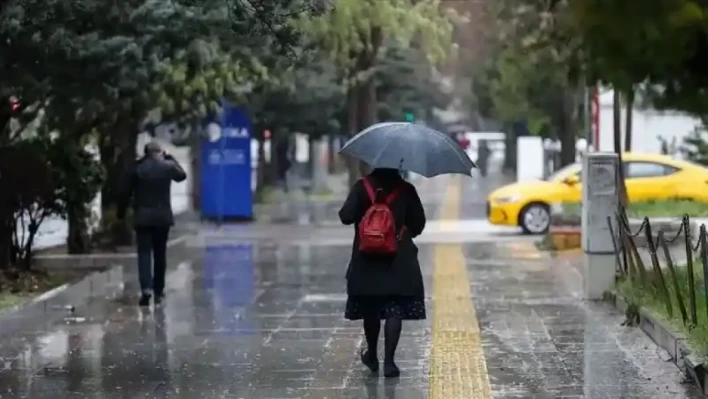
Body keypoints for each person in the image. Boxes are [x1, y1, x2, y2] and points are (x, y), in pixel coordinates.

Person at [338, 167, 426, 378]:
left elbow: (346, 216)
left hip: (366, 260)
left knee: (371, 309)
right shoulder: (406, 189)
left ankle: (372, 357)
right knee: (394, 310)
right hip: (398, 259)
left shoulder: (362, 187)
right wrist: (403, 228)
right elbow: (419, 223)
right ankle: (390, 363)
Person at [118, 142, 187, 306]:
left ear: (146, 153)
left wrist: (121, 214)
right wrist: (170, 157)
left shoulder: (137, 168)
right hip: (162, 218)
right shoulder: (168, 166)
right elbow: (182, 175)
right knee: (160, 254)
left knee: (144, 254)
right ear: (160, 152)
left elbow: (124, 192)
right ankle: (159, 290)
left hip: (142, 217)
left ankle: (146, 289)